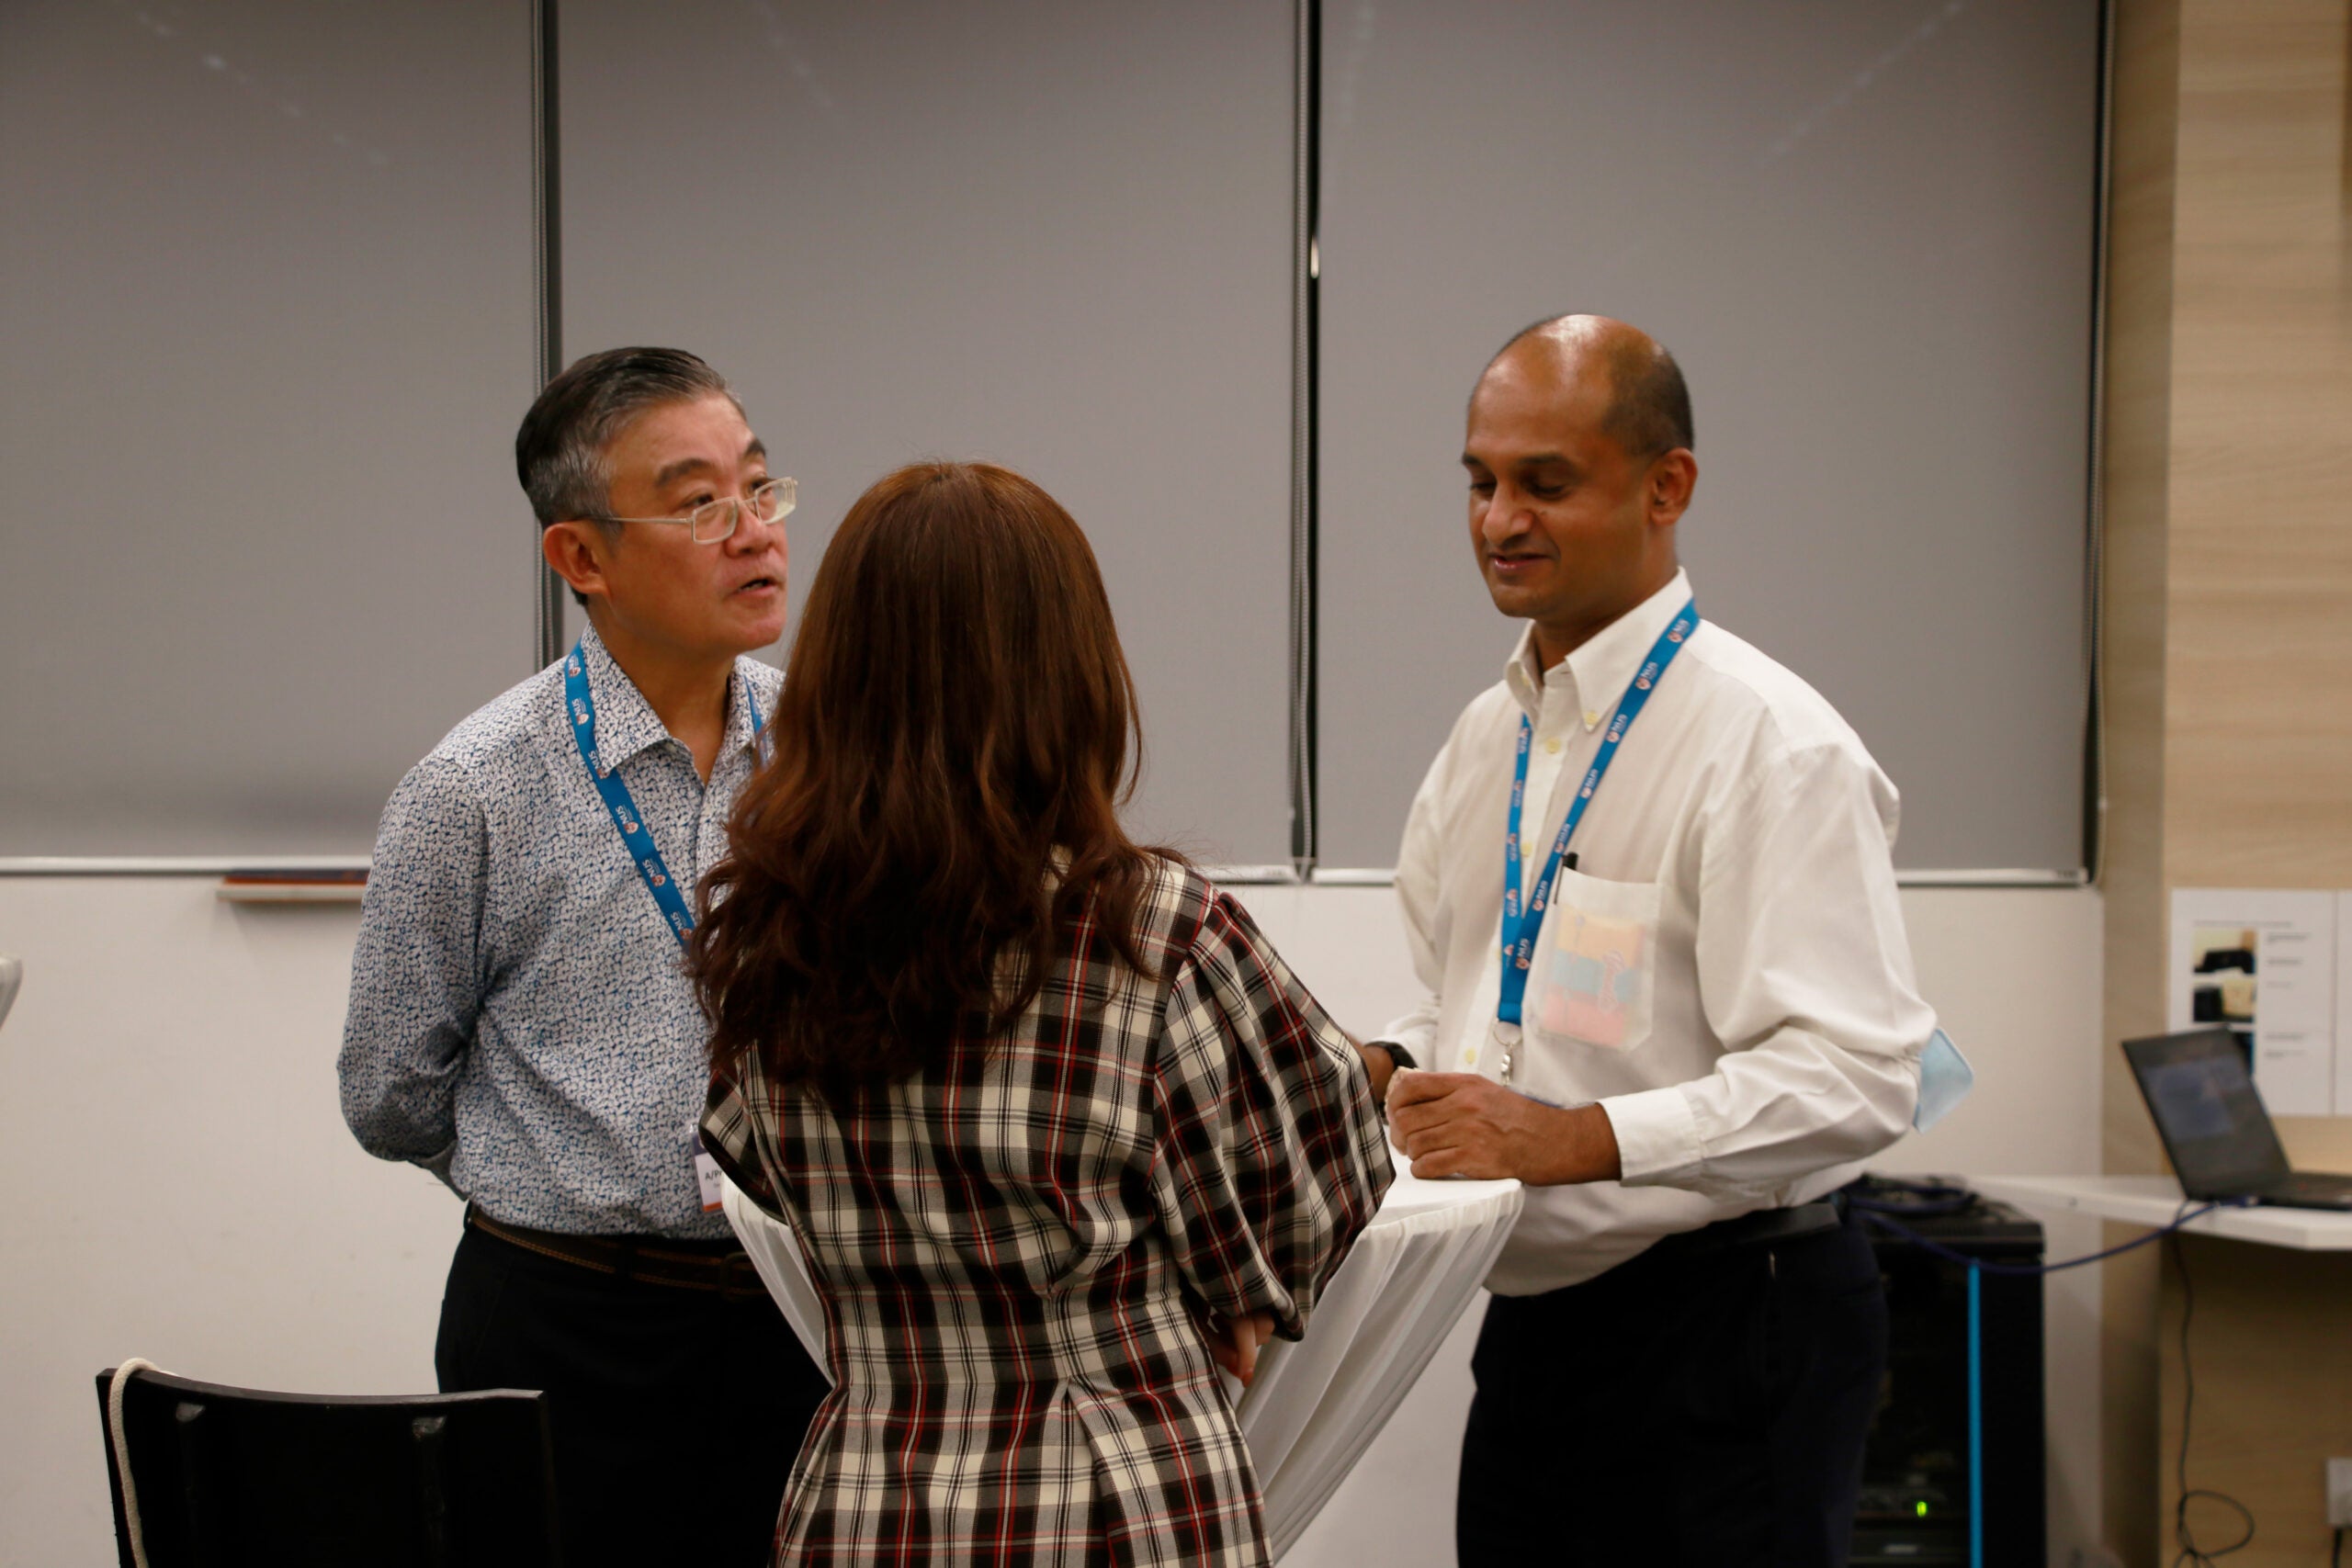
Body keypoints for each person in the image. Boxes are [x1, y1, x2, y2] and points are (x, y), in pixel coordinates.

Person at [687, 460, 1395, 1567]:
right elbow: (1320, 1179)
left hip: (868, 1493)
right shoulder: (1156, 934)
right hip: (1121, 1494)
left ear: (833, 678)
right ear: (1073, 674)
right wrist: (1232, 1301)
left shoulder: (765, 936)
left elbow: (754, 1170)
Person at [1373, 315, 1937, 1567]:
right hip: (1536, 1327)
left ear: (1665, 487)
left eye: (1544, 482)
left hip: (1730, 1323)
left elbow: (1857, 1076)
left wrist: (1574, 1138)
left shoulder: (1770, 744)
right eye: (1480, 481)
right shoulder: (1487, 739)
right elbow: (1473, 1000)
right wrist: (1390, 1065)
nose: (1498, 520)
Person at [338, 347, 828, 1567]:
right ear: (582, 558)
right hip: (564, 1325)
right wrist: (556, 1167)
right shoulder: (475, 789)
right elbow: (389, 1091)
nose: (753, 531)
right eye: (699, 502)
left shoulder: (831, 750)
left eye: (758, 487)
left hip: (806, 1312)